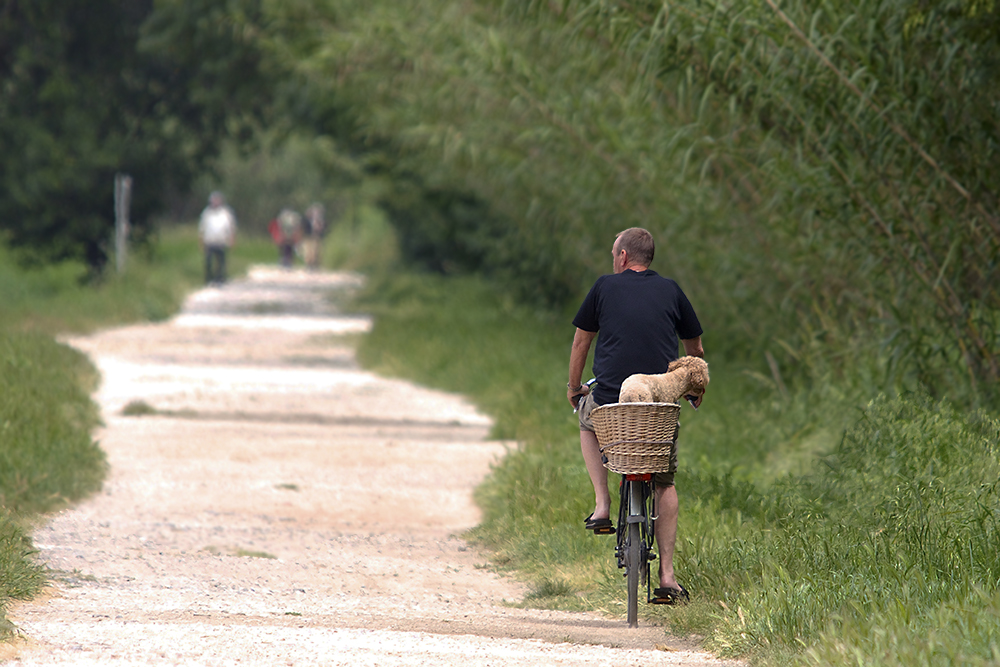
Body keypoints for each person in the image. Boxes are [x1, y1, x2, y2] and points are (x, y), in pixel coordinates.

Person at [566, 227, 704, 605]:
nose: (613, 260)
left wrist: (574, 387)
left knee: (585, 419)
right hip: (658, 404)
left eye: (614, 254)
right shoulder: (672, 290)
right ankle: (668, 577)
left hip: (611, 398)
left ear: (623, 257)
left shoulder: (604, 287)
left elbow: (582, 340)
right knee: (664, 481)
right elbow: (695, 348)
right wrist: (693, 383)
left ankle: (602, 505)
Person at [197, 191, 237, 285]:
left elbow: (231, 227)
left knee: (221, 261)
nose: (215, 202)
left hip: (221, 241)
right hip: (209, 241)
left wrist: (232, 240)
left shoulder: (226, 213)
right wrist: (201, 241)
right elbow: (202, 228)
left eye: (217, 200)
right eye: (214, 200)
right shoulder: (206, 213)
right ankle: (208, 279)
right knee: (208, 261)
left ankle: (220, 277)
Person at [301, 203, 326, 270]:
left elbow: (323, 227)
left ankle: (315, 264)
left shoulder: (319, 220)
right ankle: (309, 264)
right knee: (308, 251)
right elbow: (303, 228)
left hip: (316, 237)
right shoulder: (306, 220)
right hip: (308, 237)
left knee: (316, 251)